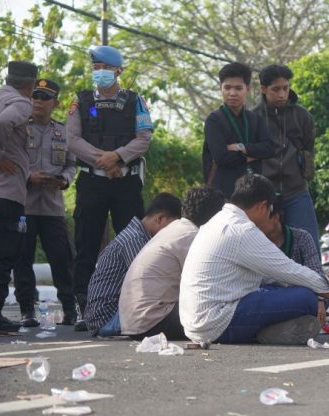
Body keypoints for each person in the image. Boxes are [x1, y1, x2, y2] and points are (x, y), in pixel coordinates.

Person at [179, 174, 329, 345]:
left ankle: (270, 330)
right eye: (270, 211)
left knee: (284, 287)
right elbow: (290, 270)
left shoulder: (218, 220)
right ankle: (266, 333)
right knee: (307, 297)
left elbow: (273, 277)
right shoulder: (243, 230)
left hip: (196, 322)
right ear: (263, 206)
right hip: (216, 323)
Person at [68, 45, 155, 331]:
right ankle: (85, 309)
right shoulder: (81, 101)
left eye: (105, 68)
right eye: (96, 68)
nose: (100, 73)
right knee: (86, 245)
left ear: (119, 70)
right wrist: (104, 161)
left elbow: (144, 138)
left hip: (125, 182)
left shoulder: (135, 101)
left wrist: (118, 156)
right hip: (92, 181)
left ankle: (134, 305)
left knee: (134, 243)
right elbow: (72, 139)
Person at [119, 187, 224, 340]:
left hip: (135, 322)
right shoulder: (191, 236)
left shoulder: (177, 229)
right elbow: (212, 281)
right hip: (153, 321)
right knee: (223, 312)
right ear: (214, 218)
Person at [12, 79, 77, 327]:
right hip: (24, 204)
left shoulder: (63, 132)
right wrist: (29, 175)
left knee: (62, 258)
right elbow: (10, 160)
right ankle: (27, 310)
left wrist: (64, 180)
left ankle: (70, 308)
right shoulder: (19, 129)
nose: (38, 100)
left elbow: (71, 164)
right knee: (22, 259)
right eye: (35, 95)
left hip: (52, 207)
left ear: (55, 103)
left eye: (44, 97)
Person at [83, 193, 181, 336]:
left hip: (108, 314)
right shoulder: (135, 240)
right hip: (107, 318)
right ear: (159, 219)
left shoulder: (137, 235)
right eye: (173, 227)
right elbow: (151, 284)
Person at [251, 64, 320, 246]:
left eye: (285, 88)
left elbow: (308, 147)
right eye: (276, 89)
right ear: (264, 89)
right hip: (262, 196)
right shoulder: (252, 118)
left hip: (297, 191)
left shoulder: (302, 115)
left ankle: (313, 276)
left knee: (308, 245)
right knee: (262, 251)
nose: (282, 94)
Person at [0, 61, 37, 333]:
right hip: (6, 195)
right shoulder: (22, 104)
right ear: (31, 84)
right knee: (2, 256)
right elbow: (3, 122)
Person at [258, 194, 329, 325]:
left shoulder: (302, 238)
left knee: (310, 297)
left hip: (301, 294)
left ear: (276, 217)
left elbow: (316, 274)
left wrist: (319, 299)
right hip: (269, 294)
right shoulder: (254, 239)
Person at [203, 62, 275, 199]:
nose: (232, 93)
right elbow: (221, 157)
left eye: (238, 88)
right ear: (220, 88)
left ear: (247, 89)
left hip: (253, 191)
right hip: (223, 193)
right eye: (227, 88)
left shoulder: (255, 119)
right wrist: (253, 154)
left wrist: (241, 147)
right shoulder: (214, 120)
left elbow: (270, 148)